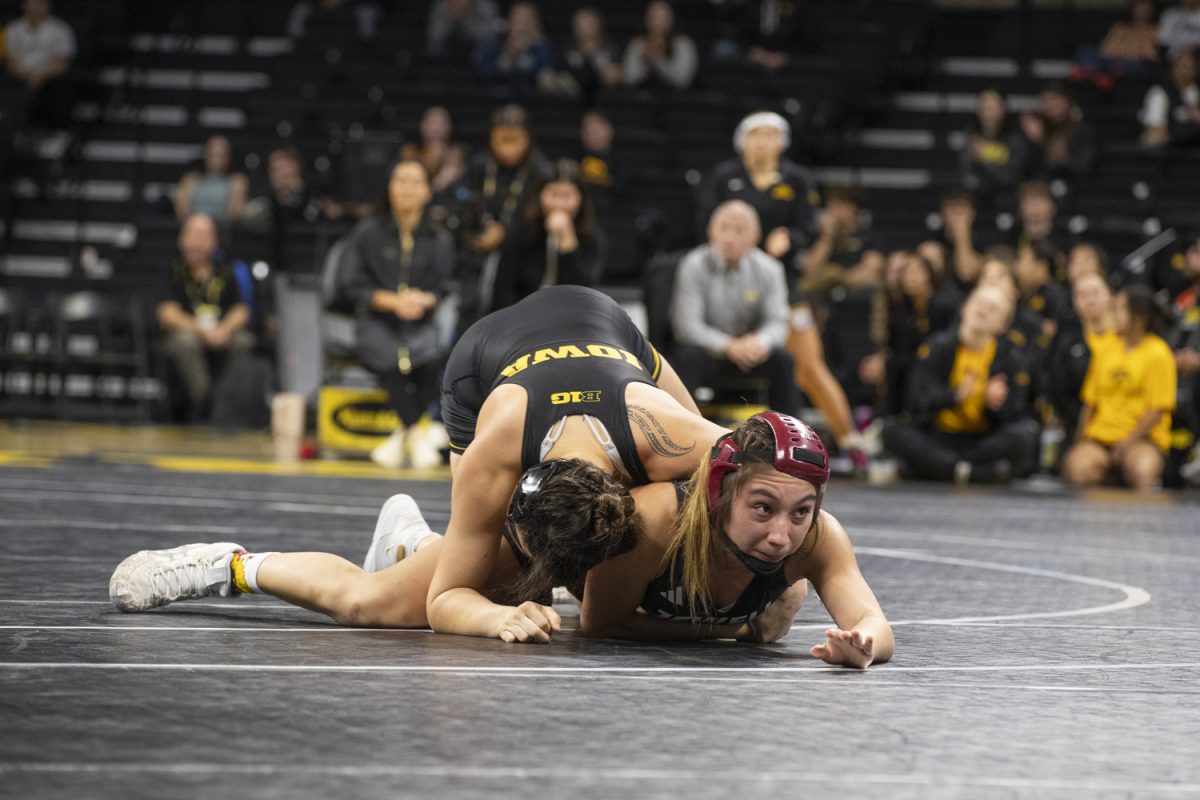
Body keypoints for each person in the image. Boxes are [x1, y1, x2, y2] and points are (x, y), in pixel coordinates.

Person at [110, 285, 723, 641]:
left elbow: (771, 457)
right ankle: (229, 564)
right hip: (481, 363)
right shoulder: (495, 453)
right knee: (372, 605)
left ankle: (410, 541)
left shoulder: (669, 434)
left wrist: (787, 580)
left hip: (607, 326)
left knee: (699, 498)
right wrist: (493, 615)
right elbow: (446, 598)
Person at [582, 412, 894, 668]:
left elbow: (875, 625)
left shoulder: (819, 536)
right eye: (763, 508)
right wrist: (740, 629)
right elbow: (602, 623)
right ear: (720, 495)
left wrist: (862, 645)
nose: (780, 537)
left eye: (801, 512)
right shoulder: (653, 520)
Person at [339, 160, 456, 469]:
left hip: (420, 319)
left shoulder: (439, 238)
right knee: (391, 358)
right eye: (401, 180)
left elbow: (445, 286)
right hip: (377, 318)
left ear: (428, 192)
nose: (408, 188)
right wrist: (391, 302)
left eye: (416, 182)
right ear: (389, 187)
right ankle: (417, 433)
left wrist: (424, 299)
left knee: (433, 354)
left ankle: (401, 436)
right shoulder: (367, 233)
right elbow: (351, 283)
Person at [882, 285, 1039, 484]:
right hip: (940, 436)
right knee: (890, 429)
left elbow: (1014, 412)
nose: (983, 311)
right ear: (965, 308)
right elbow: (919, 400)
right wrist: (954, 397)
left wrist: (993, 406)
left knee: (1025, 435)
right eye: (979, 304)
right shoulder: (937, 346)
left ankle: (944, 468)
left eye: (993, 309)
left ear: (1002, 324)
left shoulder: (1011, 358)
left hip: (982, 439)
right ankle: (972, 472)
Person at [669, 200, 796, 412]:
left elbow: (778, 323)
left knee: (784, 360)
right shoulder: (693, 264)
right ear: (711, 231)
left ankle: (789, 436)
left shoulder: (770, 268)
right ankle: (679, 430)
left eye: (740, 230)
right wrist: (729, 346)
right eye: (724, 228)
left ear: (755, 237)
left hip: (751, 353)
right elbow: (687, 327)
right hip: (709, 352)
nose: (730, 237)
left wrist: (760, 342)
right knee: (687, 356)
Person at [1061, 284, 1177, 490]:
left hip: (1142, 440)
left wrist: (1126, 444)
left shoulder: (1159, 353)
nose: (1113, 315)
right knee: (1077, 467)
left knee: (1142, 470)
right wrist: (1080, 440)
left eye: (1120, 309)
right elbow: (1091, 402)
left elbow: (1157, 411)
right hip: (1102, 438)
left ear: (1139, 317)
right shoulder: (1106, 349)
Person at [696, 111, 820, 292]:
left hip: (782, 267)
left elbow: (809, 224)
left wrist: (790, 238)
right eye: (754, 134)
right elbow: (705, 218)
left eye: (770, 135)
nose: (761, 142)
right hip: (728, 264)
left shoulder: (798, 179)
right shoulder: (723, 176)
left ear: (782, 142)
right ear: (741, 140)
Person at [452, 104, 548, 327]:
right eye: (501, 140)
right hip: (475, 261)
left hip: (521, 265)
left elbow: (539, 222)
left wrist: (505, 234)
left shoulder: (540, 171)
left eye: (514, 140)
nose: (507, 149)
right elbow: (460, 203)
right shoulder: (479, 166)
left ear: (528, 139)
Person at [156, 214, 255, 422]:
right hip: (187, 334)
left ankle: (231, 403)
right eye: (191, 235)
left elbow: (241, 310)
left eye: (202, 236)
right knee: (185, 341)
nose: (195, 242)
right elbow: (167, 313)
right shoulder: (172, 269)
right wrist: (202, 330)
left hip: (220, 332)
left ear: (213, 241)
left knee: (244, 341)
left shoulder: (226, 271)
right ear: (181, 239)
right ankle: (204, 402)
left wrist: (225, 329)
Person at [491, 159, 604, 310]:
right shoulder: (521, 232)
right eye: (553, 194)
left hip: (571, 322)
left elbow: (584, 293)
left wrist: (567, 240)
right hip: (521, 320)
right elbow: (503, 289)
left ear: (580, 199)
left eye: (566, 196)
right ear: (540, 196)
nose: (559, 204)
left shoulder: (592, 237)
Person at [1046, 271, 1121, 441]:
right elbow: (1059, 391)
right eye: (1082, 294)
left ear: (1111, 296)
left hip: (1125, 422)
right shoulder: (1067, 343)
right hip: (1083, 425)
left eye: (1095, 292)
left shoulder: (1128, 339)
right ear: (1074, 303)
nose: (1089, 299)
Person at [2, 0, 75, 132]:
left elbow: (63, 63)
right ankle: (14, 131)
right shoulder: (12, 29)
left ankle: (57, 130)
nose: (35, 7)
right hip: (21, 75)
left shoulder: (61, 29)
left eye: (40, 3)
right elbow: (11, 62)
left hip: (49, 74)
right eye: (32, 3)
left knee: (61, 84)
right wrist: (27, 75)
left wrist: (41, 74)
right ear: (24, 5)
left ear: (48, 5)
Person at [799, 186, 887, 292]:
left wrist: (838, 279)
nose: (834, 214)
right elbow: (809, 271)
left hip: (857, 295)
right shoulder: (819, 238)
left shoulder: (869, 237)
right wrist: (827, 237)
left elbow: (872, 268)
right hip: (822, 296)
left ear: (853, 208)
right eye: (831, 208)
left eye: (839, 207)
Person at [1019, 82, 1098, 183]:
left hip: (1079, 188)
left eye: (1054, 99)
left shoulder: (1082, 130)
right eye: (1045, 100)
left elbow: (1087, 167)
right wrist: (1038, 141)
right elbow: (1027, 168)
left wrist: (1064, 159)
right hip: (1042, 189)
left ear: (1066, 101)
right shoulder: (1036, 131)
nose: (1050, 105)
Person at [962, 89, 1026, 209]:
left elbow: (1012, 175)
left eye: (993, 108)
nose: (988, 113)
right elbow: (968, 173)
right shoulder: (972, 136)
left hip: (1009, 200)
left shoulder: (1016, 138)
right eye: (984, 108)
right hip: (978, 200)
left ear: (1003, 109)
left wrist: (984, 154)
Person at [476, 2, 557, 95]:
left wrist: (522, 56)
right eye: (517, 19)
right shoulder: (495, 45)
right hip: (496, 98)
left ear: (535, 23)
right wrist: (507, 57)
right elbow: (483, 73)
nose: (520, 26)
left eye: (526, 20)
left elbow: (544, 74)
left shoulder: (544, 49)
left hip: (533, 100)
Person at [1072, 0, 1159, 85]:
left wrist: (1122, 48)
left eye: (1146, 7)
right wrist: (1133, 49)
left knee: (1137, 63)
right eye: (1139, 7)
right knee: (1086, 51)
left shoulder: (1154, 30)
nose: (1142, 11)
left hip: (1133, 64)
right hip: (1111, 60)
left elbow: (1150, 54)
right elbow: (1106, 49)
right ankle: (1098, 75)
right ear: (1133, 8)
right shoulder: (1120, 27)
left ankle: (1098, 74)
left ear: (1152, 10)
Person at [622, 1, 698, 92]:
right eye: (655, 18)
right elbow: (629, 80)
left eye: (663, 18)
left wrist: (658, 58)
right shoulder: (638, 44)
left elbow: (682, 81)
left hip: (676, 101)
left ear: (671, 20)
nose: (659, 23)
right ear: (647, 20)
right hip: (640, 99)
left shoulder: (683, 44)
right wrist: (645, 61)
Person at [174, 135, 249, 223]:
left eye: (220, 154)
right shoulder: (190, 179)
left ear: (228, 157)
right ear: (205, 155)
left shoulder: (237, 181)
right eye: (212, 154)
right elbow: (181, 211)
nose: (215, 159)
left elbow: (235, 214)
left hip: (223, 229)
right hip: (193, 226)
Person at [400, 105, 468, 196]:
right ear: (422, 125)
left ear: (450, 126)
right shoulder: (410, 153)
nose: (436, 129)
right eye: (432, 123)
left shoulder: (457, 155)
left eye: (441, 123)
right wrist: (442, 179)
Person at [1140, 47, 1200, 148]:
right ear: (1173, 68)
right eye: (1183, 66)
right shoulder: (1160, 93)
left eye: (1190, 66)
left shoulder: (1196, 91)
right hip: (1170, 149)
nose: (1186, 71)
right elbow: (1156, 129)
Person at [562, 7, 623, 102]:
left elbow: (614, 76)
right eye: (580, 24)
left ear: (599, 25)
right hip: (572, 101)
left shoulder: (611, 49)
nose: (584, 28)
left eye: (588, 23)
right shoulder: (567, 51)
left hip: (605, 99)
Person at [425, 0, 499, 61]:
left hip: (476, 48)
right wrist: (451, 17)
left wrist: (465, 17)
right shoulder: (442, 6)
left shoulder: (485, 6)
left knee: (488, 49)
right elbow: (435, 36)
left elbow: (488, 36)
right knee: (433, 49)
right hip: (447, 48)